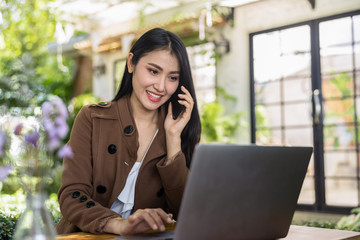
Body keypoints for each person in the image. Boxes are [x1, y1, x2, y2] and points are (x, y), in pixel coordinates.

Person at [56, 28, 201, 236]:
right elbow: (72, 195)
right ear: (131, 63)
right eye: (153, 71)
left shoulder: (180, 130)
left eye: (172, 77)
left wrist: (173, 140)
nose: (161, 86)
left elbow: (186, 213)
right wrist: (119, 224)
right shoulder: (92, 118)